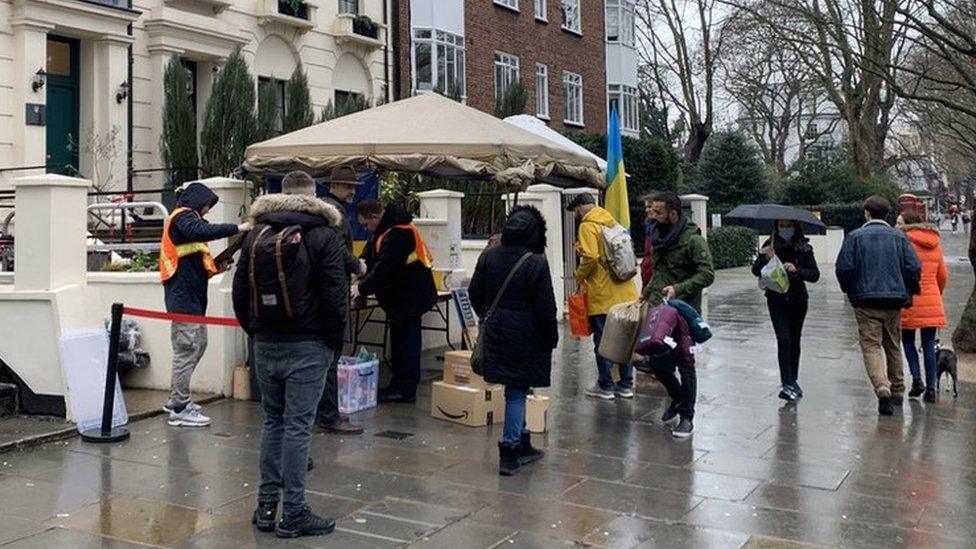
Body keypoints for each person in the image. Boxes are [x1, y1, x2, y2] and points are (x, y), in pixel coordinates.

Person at [232, 171, 348, 539]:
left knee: (273, 423)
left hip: (265, 342)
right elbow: (335, 294)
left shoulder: (255, 234)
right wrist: (331, 341)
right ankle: (294, 512)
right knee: (298, 427)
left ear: (279, 195)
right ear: (314, 197)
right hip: (308, 344)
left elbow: (239, 292)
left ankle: (266, 507)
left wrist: (256, 332)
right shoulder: (324, 236)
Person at [469, 205, 558, 476]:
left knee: (514, 387)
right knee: (518, 389)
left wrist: (487, 315)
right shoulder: (536, 261)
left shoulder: (489, 255)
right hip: (526, 332)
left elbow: (474, 291)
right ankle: (510, 450)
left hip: (496, 329)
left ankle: (523, 439)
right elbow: (546, 307)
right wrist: (550, 337)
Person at [161, 182, 249, 427]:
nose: (209, 211)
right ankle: (179, 407)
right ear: (199, 202)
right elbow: (200, 231)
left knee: (198, 345)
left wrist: (216, 267)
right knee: (187, 348)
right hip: (183, 298)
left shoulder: (188, 222)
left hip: (191, 297)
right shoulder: (183, 217)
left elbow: (190, 261)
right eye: (208, 206)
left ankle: (176, 399)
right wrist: (237, 227)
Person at [836, 196, 921, 416]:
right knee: (893, 344)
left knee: (871, 345)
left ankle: (882, 387)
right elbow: (913, 267)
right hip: (894, 299)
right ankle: (898, 390)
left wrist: (850, 290)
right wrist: (908, 292)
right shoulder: (899, 237)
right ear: (887, 214)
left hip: (865, 300)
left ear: (866, 213)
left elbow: (844, 268)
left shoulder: (854, 237)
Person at [641, 192, 715, 438]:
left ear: (673, 214)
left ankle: (687, 417)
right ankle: (678, 397)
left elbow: (707, 275)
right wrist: (646, 292)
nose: (654, 215)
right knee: (658, 364)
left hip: (683, 315)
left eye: (659, 212)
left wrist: (678, 289)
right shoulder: (659, 236)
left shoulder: (693, 240)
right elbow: (658, 271)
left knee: (685, 364)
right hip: (658, 312)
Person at [355, 200, 438, 403]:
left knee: (406, 344)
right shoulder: (385, 229)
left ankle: (404, 389)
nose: (366, 229)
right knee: (401, 342)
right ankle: (399, 385)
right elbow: (369, 256)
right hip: (403, 297)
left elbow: (385, 268)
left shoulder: (399, 232)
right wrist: (358, 270)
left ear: (375, 216)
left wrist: (360, 288)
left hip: (410, 297)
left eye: (366, 224)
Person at [567, 193, 639, 401]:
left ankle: (605, 386)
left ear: (580, 207)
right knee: (625, 340)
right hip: (626, 292)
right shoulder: (611, 222)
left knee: (604, 341)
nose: (576, 216)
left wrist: (578, 275)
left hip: (603, 295)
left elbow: (590, 257)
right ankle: (626, 385)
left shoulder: (588, 226)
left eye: (575, 212)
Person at [315, 166, 366, 435]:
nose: (353, 191)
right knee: (330, 358)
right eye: (348, 186)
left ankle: (322, 411)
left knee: (323, 359)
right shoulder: (334, 214)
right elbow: (337, 252)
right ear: (333, 186)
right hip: (332, 293)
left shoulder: (320, 212)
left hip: (320, 295)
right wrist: (359, 266)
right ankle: (328, 415)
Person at [751, 220, 820, 401]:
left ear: (795, 227)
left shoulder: (804, 248)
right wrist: (767, 258)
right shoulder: (770, 245)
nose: (785, 229)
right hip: (776, 300)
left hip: (798, 300)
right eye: (782, 226)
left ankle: (793, 379)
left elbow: (814, 275)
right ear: (776, 227)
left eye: (789, 225)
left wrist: (796, 269)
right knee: (784, 339)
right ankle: (786, 381)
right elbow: (755, 270)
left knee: (794, 340)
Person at [896, 210, 948, 404]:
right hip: (932, 299)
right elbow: (942, 276)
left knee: (908, 341)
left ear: (908, 224)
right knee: (928, 345)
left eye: (899, 222)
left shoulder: (902, 242)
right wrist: (936, 294)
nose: (896, 226)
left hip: (909, 298)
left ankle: (917, 380)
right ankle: (932, 388)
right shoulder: (935, 244)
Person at [641, 195, 657, 287]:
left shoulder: (662, 230)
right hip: (647, 273)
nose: (647, 210)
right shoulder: (649, 226)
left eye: (650, 207)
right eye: (646, 207)